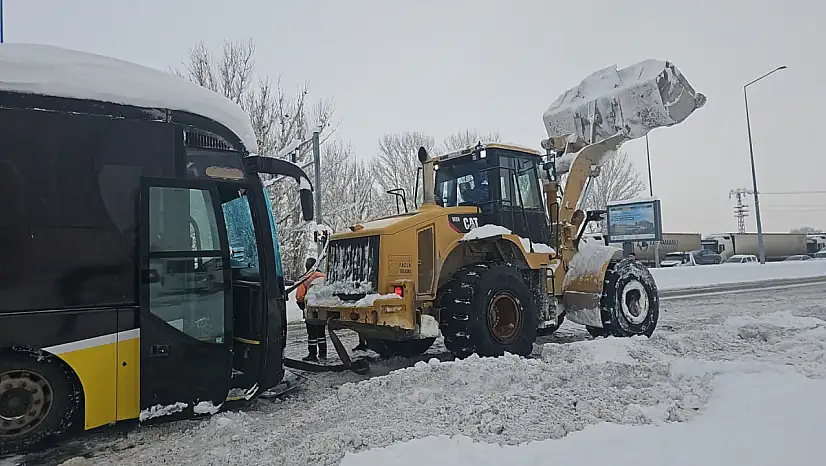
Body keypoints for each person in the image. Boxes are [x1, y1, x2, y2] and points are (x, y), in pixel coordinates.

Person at [296, 257, 326, 361]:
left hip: (310, 310)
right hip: (322, 310)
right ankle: (323, 353)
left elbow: (299, 296)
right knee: (321, 333)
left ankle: (312, 355)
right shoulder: (324, 276)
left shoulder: (305, 278)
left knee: (312, 334)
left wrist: (302, 306)